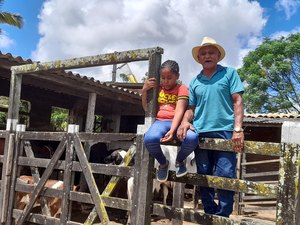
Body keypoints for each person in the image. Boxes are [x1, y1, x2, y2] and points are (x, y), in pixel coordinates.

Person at [177, 36, 244, 217]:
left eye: (211, 52)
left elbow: (237, 100)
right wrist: (185, 121)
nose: (207, 56)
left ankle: (223, 215)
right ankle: (209, 212)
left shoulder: (229, 73)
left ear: (218, 56)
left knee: (226, 174)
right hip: (201, 132)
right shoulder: (195, 81)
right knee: (203, 173)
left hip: (225, 131)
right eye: (203, 53)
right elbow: (190, 108)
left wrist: (238, 129)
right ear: (199, 58)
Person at [143, 60, 198, 182]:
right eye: (162, 78)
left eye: (169, 78)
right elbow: (147, 108)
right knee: (149, 139)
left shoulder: (182, 88)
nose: (165, 81)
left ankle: (180, 160)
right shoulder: (158, 89)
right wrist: (144, 90)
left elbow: (179, 111)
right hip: (160, 122)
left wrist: (173, 130)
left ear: (177, 76)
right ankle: (163, 163)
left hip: (178, 122)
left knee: (192, 138)